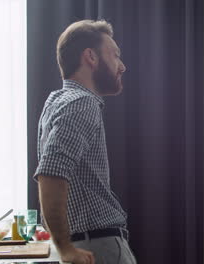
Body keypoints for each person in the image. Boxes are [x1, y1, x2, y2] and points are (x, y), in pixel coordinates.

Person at [33, 20, 136, 264]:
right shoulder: (81, 103)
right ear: (90, 56)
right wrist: (65, 247)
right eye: (115, 56)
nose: (122, 66)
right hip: (98, 246)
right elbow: (51, 173)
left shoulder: (57, 101)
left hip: (87, 243)